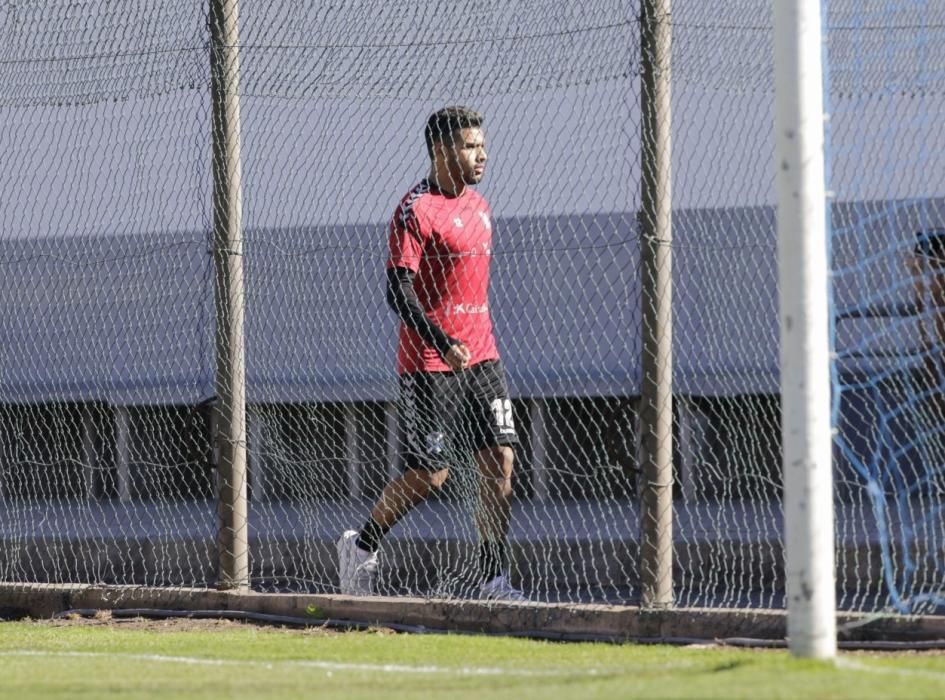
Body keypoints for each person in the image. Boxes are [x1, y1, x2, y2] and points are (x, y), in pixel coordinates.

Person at [337, 106, 525, 601]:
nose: (481, 154)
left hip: (483, 357)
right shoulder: (414, 210)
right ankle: (361, 545)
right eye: (470, 146)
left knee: (500, 461)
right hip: (430, 363)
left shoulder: (482, 206)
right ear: (442, 151)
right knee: (432, 475)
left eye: (482, 144)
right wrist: (442, 340)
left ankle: (493, 580)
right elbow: (398, 291)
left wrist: (468, 341)